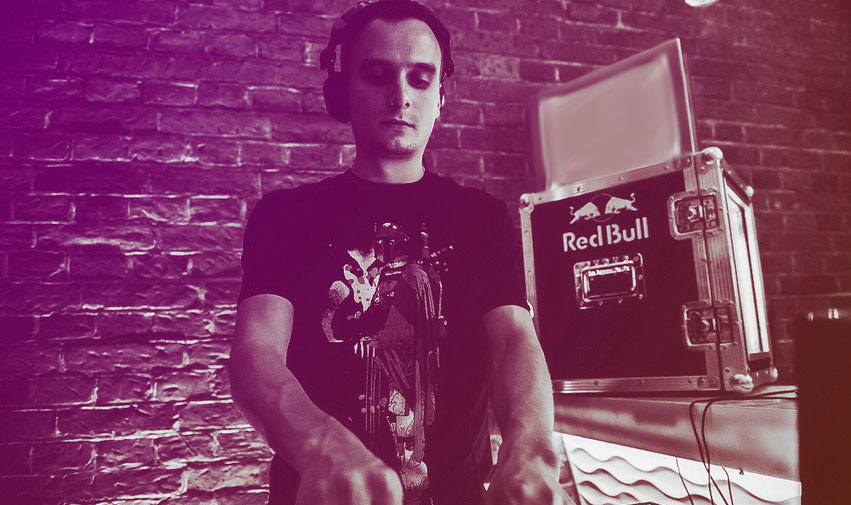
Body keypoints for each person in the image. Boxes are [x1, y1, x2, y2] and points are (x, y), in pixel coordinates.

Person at [228, 1, 571, 504]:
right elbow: (255, 355)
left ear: (440, 97)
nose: (400, 96)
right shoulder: (284, 216)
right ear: (343, 90)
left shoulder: (483, 217)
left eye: (420, 79)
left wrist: (532, 451)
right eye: (377, 75)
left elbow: (514, 340)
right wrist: (321, 446)